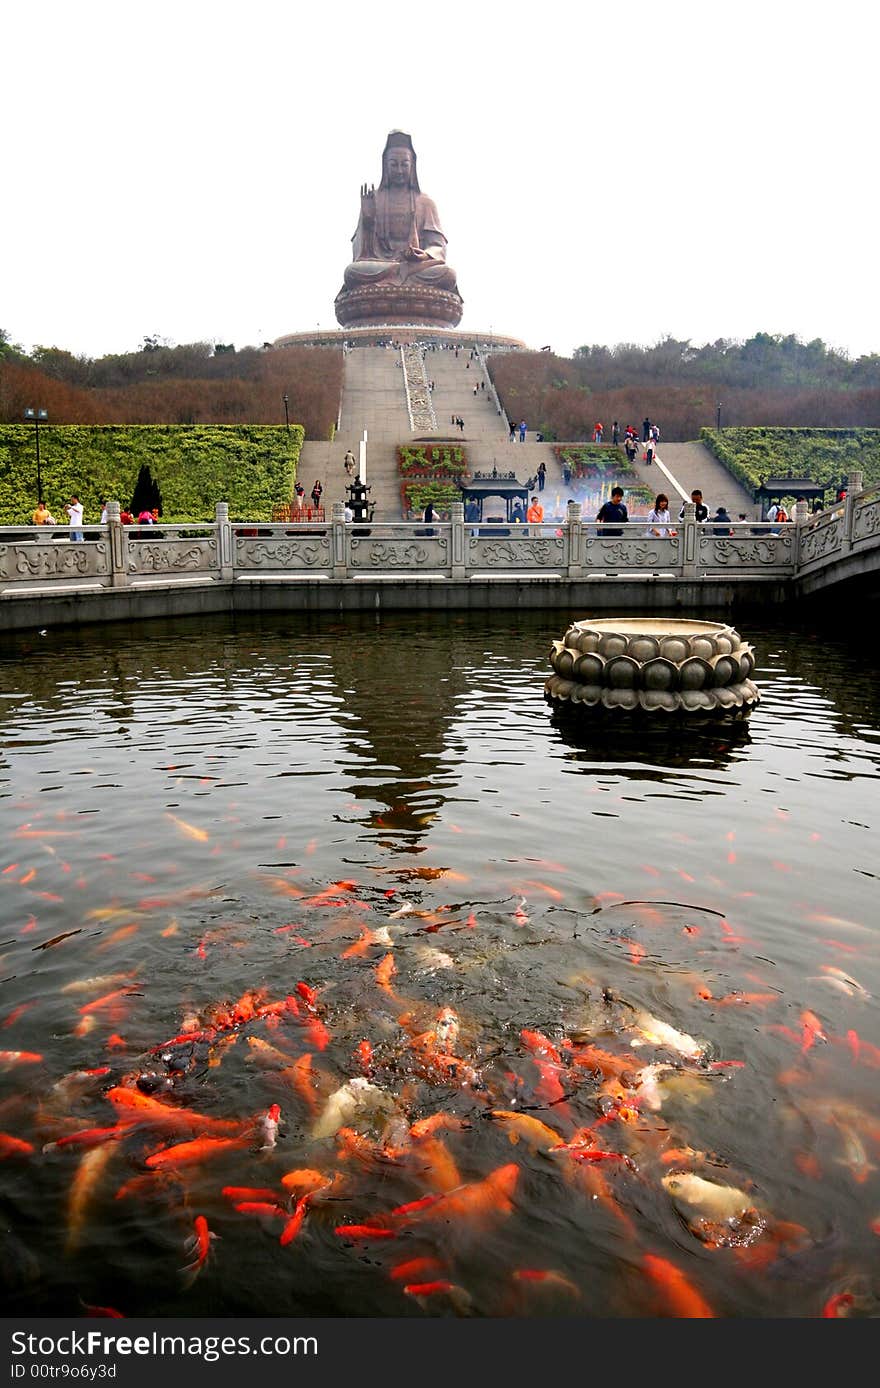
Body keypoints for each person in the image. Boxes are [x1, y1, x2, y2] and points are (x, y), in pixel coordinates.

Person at [338, 131, 459, 297]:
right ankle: (398, 281)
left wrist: (425, 255)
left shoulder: (425, 202)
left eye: (405, 164)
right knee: (353, 273)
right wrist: (367, 222)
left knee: (447, 275)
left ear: (412, 166)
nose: (400, 170)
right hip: (381, 265)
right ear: (385, 166)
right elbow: (360, 253)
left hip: (416, 266)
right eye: (394, 164)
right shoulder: (374, 199)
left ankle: (392, 284)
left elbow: (437, 245)